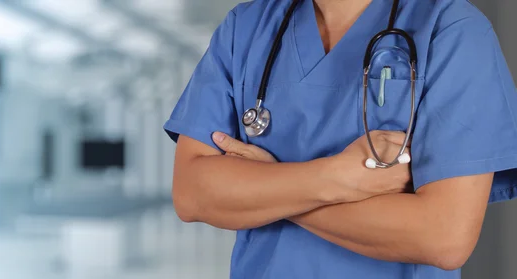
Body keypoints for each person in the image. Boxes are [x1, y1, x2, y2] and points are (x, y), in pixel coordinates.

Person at [163, 0, 517, 278]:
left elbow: (443, 236)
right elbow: (192, 194)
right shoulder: (246, 28)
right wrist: (338, 177)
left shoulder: (452, 29)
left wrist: (269, 185)